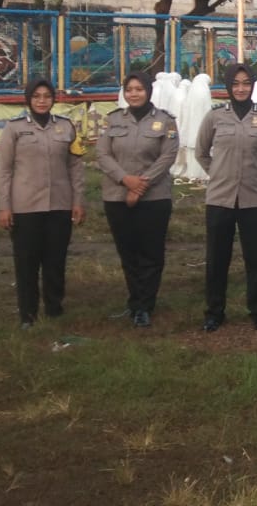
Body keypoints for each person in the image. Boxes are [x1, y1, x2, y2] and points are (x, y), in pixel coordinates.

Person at [196, 64, 257, 332]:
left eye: (246, 83)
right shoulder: (215, 117)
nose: (241, 88)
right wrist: (219, 173)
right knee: (217, 258)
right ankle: (214, 311)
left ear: (252, 85)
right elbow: (201, 152)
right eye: (235, 83)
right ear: (228, 87)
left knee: (256, 257)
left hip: (253, 198)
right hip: (220, 198)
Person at [0, 78, 86, 328]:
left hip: (59, 204)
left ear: (53, 99)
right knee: (26, 262)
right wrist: (4, 206)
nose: (42, 100)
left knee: (55, 260)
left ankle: (54, 307)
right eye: (36, 96)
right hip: (25, 207)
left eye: (47, 96)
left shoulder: (66, 127)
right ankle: (28, 313)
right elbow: (3, 170)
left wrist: (78, 201)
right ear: (28, 99)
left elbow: (76, 167)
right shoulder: (14, 129)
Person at [97, 72, 179, 328]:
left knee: (151, 253)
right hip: (117, 196)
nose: (134, 94)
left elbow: (168, 156)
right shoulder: (113, 120)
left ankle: (145, 304)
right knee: (128, 252)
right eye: (129, 89)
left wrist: (141, 185)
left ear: (148, 91)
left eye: (139, 89)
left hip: (154, 197)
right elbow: (102, 154)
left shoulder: (165, 121)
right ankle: (134, 300)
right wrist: (126, 180)